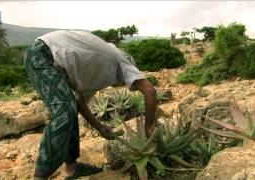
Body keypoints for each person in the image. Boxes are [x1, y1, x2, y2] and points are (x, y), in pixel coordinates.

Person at [24, 30, 157, 180]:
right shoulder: (121, 59)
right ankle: (40, 176)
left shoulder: (97, 70)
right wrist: (149, 127)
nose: (121, 85)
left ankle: (72, 168)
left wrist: (99, 127)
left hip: (49, 58)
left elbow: (79, 102)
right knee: (65, 113)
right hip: (43, 54)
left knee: (70, 108)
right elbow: (150, 91)